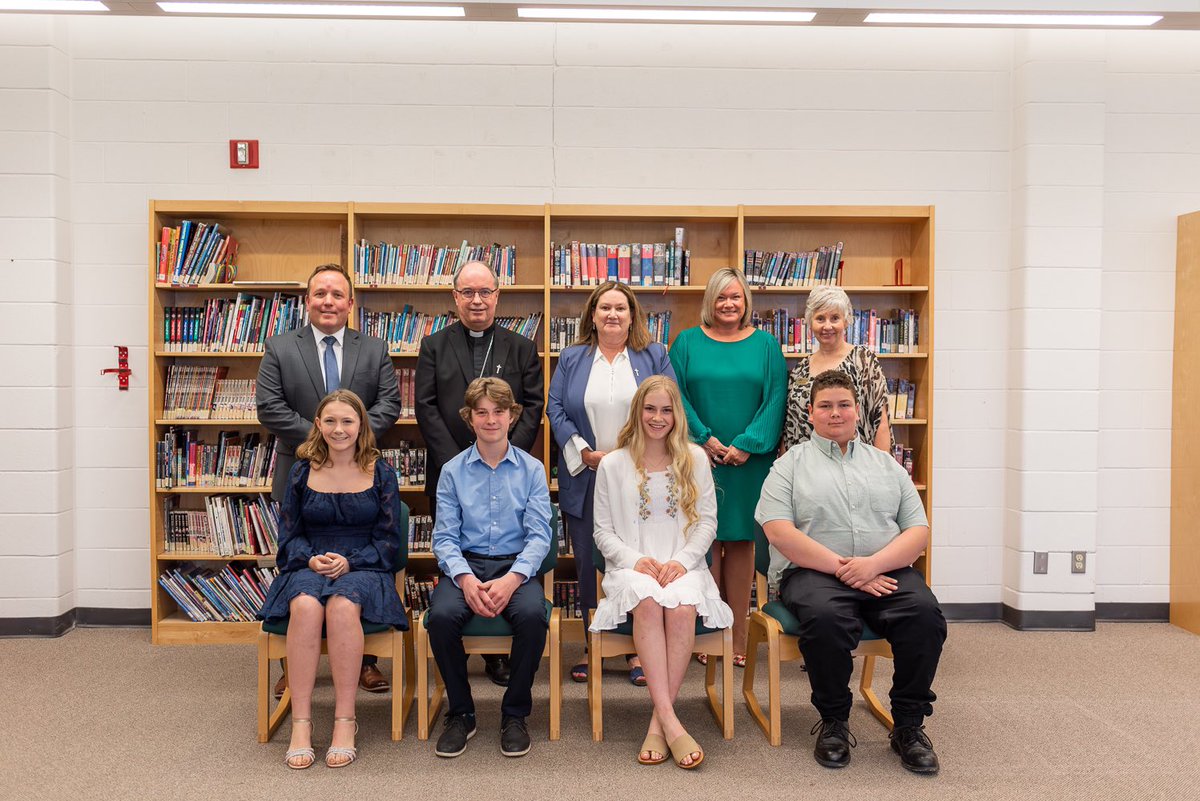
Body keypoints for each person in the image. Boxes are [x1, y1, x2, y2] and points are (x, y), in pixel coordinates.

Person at [755, 370, 945, 775]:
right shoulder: (788, 466)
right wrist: (846, 570)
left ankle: (908, 725)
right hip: (813, 573)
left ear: (858, 411)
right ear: (810, 413)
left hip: (884, 569)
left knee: (924, 615)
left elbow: (918, 530)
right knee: (827, 618)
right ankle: (835, 722)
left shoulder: (887, 465)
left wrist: (873, 566)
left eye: (844, 405)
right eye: (825, 406)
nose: (835, 413)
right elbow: (778, 531)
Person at [257, 263, 401, 696]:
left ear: (351, 303)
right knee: (298, 561)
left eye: (337, 294)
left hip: (360, 469)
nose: (328, 301)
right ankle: (292, 664)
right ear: (307, 301)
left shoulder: (373, 349)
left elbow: (389, 404)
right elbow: (269, 406)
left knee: (356, 575)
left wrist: (349, 439)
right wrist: (327, 437)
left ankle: (365, 663)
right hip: (298, 470)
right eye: (320, 293)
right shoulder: (280, 347)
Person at [256, 390, 408, 770]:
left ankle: (344, 721)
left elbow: (388, 542)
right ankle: (302, 723)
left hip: (364, 567)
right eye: (330, 421)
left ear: (361, 426)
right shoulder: (302, 470)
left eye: (347, 421)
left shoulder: (382, 471)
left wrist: (350, 561)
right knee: (305, 607)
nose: (339, 429)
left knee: (341, 608)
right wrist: (310, 558)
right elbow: (288, 535)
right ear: (318, 426)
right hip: (308, 563)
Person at [590, 376, 731, 769]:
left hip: (683, 563)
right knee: (649, 602)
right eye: (650, 409)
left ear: (677, 415)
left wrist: (682, 562)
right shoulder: (613, 464)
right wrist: (635, 561)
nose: (657, 417)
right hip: (630, 565)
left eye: (666, 410)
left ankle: (658, 722)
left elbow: (707, 524)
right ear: (638, 411)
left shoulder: (695, 458)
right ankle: (672, 720)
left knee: (683, 607)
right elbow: (602, 530)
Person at [415, 259, 544, 687]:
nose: (476, 300)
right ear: (455, 298)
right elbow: (426, 408)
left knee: (516, 592)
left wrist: (501, 456)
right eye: (468, 292)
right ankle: (461, 658)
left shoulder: (522, 347)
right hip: (450, 467)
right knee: (456, 556)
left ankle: (496, 658)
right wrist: (464, 461)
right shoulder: (434, 345)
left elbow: (533, 406)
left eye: (485, 292)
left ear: (497, 296)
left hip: (509, 466)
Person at [547, 281, 676, 685]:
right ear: (593, 314)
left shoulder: (653, 354)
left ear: (632, 314)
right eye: (605, 308)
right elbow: (555, 407)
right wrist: (584, 452)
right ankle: (593, 643)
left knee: (638, 557)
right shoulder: (572, 357)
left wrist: (632, 455)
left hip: (642, 475)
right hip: (588, 473)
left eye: (621, 308)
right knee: (588, 561)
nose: (613, 315)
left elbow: (670, 404)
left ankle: (638, 648)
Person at [427, 377, 553, 759]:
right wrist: (464, 579)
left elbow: (539, 537)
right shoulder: (452, 471)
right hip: (466, 564)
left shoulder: (531, 469)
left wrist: (513, 579)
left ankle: (514, 714)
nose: (491, 420)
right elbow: (444, 537)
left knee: (533, 615)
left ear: (512, 416)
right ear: (469, 419)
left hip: (514, 565)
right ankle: (461, 713)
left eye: (499, 411)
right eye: (481, 412)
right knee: (442, 616)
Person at [669, 267, 786, 667]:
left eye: (735, 297)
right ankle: (706, 633)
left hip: (749, 463)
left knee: (740, 545)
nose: (729, 304)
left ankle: (737, 636)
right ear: (710, 302)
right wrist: (705, 439)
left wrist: (746, 445)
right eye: (721, 297)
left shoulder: (767, 345)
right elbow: (675, 395)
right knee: (703, 544)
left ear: (746, 301)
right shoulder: (685, 343)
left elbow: (775, 399)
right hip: (698, 458)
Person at [780, 285, 893, 452]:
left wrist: (882, 472)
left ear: (846, 321)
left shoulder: (863, 360)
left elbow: (881, 422)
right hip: (807, 468)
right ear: (810, 323)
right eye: (820, 319)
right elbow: (790, 427)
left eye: (834, 318)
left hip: (855, 467)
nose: (827, 326)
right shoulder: (800, 370)